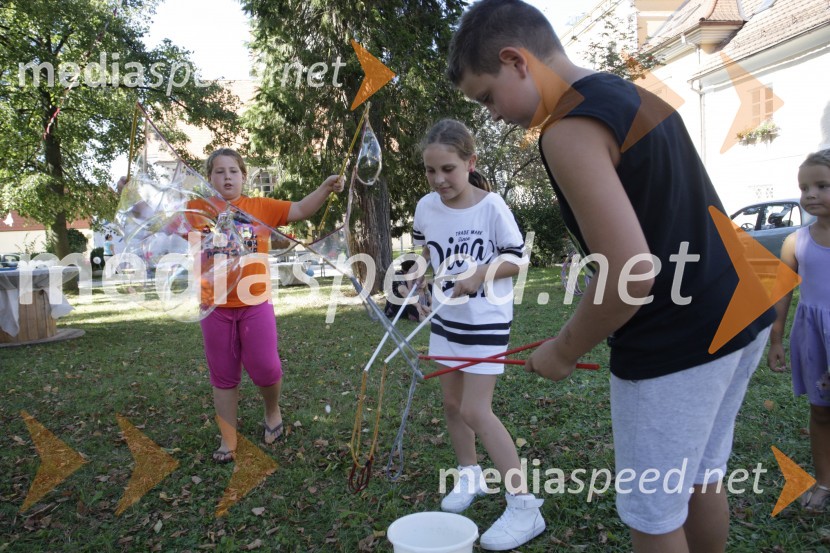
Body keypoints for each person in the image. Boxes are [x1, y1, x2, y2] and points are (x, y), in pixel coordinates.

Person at [447, 1, 774, 551]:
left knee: (654, 512)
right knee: (699, 477)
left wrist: (564, 349)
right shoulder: (632, 94)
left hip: (678, 342)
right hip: (741, 313)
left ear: (515, 60)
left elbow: (633, 272)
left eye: (487, 97)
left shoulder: (567, 128)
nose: (493, 115)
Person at [412, 119, 544, 551]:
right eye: (431, 171)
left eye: (447, 169)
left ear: (471, 162)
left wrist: (480, 273)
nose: (438, 180)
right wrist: (418, 282)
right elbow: (423, 253)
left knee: (475, 410)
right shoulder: (426, 207)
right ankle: (470, 474)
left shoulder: (492, 207)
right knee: (452, 404)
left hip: (485, 319)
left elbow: (517, 260)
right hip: (446, 318)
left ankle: (525, 505)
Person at [197, 148, 343, 463]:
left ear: (243, 176)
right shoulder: (198, 210)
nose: (227, 177)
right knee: (223, 375)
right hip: (214, 307)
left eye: (233, 171)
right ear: (209, 178)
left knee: (266, 367)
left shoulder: (260, 207)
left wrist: (326, 188)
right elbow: (153, 222)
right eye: (219, 172)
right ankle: (228, 438)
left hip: (254, 302)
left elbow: (302, 208)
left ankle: (272, 410)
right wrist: (128, 193)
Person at [768, 149, 830, 513]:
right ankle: (824, 482)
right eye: (804, 187)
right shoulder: (796, 242)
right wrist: (775, 339)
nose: (810, 194)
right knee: (821, 412)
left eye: (822, 185)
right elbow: (781, 294)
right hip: (815, 340)